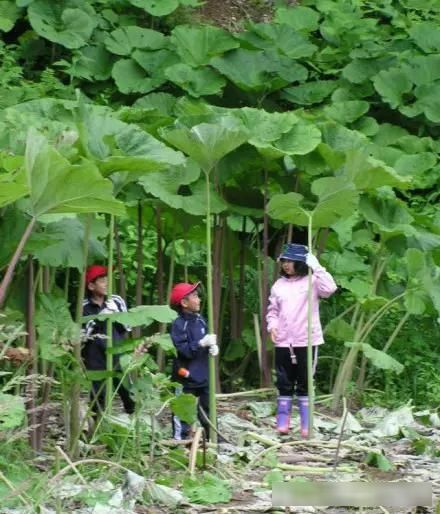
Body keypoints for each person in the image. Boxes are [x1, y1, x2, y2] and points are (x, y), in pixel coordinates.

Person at [266, 243, 337, 437]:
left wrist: (317, 266)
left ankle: (307, 425)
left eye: (291, 261)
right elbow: (273, 310)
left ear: (301, 262)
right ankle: (282, 423)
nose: (286, 265)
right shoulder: (278, 285)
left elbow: (330, 289)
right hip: (283, 340)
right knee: (283, 381)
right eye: (284, 261)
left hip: (306, 339)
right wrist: (272, 325)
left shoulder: (312, 281)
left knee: (305, 382)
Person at [82, 265, 135, 416]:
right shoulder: (84, 306)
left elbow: (127, 326)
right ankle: (97, 428)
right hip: (95, 356)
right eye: (102, 281)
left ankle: (133, 421)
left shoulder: (117, 301)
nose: (107, 283)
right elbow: (83, 334)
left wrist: (116, 314)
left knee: (127, 390)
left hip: (117, 351)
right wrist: (100, 318)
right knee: (98, 395)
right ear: (91, 286)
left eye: (107, 280)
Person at [169, 282, 218, 440]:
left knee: (208, 409)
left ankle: (213, 438)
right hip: (185, 377)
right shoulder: (178, 324)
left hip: (203, 375)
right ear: (184, 303)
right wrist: (200, 344)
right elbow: (182, 350)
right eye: (195, 296)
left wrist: (212, 348)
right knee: (182, 411)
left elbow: (205, 343)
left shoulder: (200, 320)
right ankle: (179, 441)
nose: (199, 300)